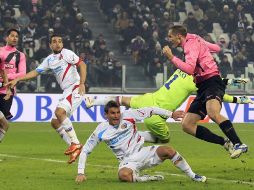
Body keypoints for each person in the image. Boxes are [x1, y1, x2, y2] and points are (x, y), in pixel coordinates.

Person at [86, 69, 252, 144]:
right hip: (157, 116)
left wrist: (94, 101)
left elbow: (119, 99)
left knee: (123, 100)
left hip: (148, 99)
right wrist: (240, 100)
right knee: (165, 139)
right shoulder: (193, 81)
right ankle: (136, 137)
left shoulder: (180, 71)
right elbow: (217, 93)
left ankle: (93, 102)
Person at [162, 25, 248, 159]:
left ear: (179, 36)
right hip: (202, 86)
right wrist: (203, 50)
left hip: (212, 81)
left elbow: (190, 69)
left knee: (213, 112)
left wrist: (171, 58)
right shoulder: (195, 38)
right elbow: (217, 48)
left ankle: (238, 144)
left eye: (170, 36)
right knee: (187, 125)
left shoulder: (190, 45)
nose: (169, 39)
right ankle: (225, 143)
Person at [75, 101, 207, 183]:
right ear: (106, 115)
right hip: (127, 161)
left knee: (168, 150)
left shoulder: (129, 116)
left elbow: (151, 109)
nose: (116, 116)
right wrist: (81, 173)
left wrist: (171, 114)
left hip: (142, 152)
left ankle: (193, 175)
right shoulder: (100, 131)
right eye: (112, 113)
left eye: (117, 112)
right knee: (123, 176)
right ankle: (146, 178)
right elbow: (85, 150)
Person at [6, 34, 87, 163]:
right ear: (50, 45)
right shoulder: (49, 60)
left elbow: (82, 65)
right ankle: (74, 147)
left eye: (60, 41)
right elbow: (35, 72)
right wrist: (18, 79)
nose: (58, 44)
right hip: (67, 91)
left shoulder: (66, 53)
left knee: (59, 112)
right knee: (55, 122)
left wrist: (82, 82)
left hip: (75, 87)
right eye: (54, 42)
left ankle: (76, 143)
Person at [0, 28, 26, 142]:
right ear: (7, 37)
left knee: (3, 124)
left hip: (7, 92)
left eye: (16, 36)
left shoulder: (20, 55)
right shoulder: (0, 51)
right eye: (12, 35)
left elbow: (23, 73)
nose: (14, 38)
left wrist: (8, 77)